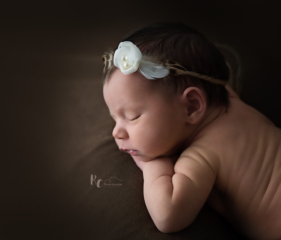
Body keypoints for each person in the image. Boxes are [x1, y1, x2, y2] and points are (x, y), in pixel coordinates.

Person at [101, 22, 281, 240]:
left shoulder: (204, 155)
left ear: (192, 106)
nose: (116, 133)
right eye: (114, 119)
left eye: (132, 117)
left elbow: (168, 216)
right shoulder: (232, 101)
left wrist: (152, 165)